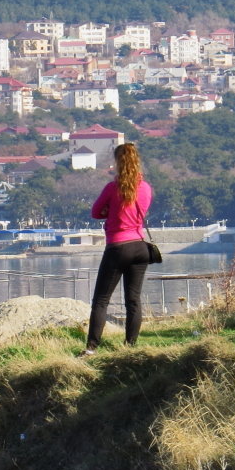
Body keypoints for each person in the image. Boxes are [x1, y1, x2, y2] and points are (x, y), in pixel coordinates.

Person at [81, 142, 153, 356]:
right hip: (140, 247)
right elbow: (139, 213)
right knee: (133, 299)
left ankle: (92, 348)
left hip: (118, 246)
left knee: (101, 300)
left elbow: (95, 212)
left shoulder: (113, 188)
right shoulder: (146, 188)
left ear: (117, 163)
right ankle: (130, 346)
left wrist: (111, 213)